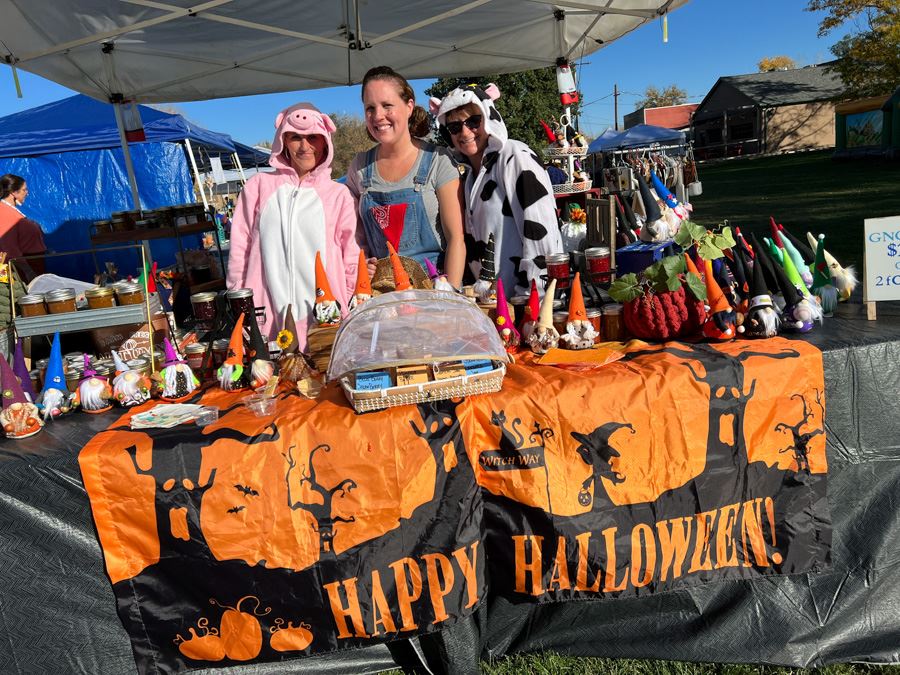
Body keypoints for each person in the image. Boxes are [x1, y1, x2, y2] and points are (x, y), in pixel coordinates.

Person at [226, 103, 359, 350]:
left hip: (324, 321)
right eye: (295, 137)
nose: (305, 146)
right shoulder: (258, 187)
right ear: (283, 140)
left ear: (325, 141)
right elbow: (239, 250)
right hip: (267, 318)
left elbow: (351, 256)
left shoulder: (339, 195)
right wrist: (240, 305)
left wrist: (344, 304)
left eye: (313, 138)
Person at [431, 84, 564, 296]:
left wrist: (533, 302)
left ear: (488, 117)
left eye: (474, 121)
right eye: (455, 127)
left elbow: (541, 235)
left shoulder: (515, 155)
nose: (465, 132)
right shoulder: (468, 177)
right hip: (494, 307)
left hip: (525, 303)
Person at [346, 66, 465, 289]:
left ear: (409, 106)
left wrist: (449, 298)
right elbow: (354, 240)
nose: (378, 116)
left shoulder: (438, 161)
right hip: (383, 298)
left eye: (387, 105)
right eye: (370, 108)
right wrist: (364, 264)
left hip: (433, 292)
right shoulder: (359, 167)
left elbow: (456, 240)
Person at [0, 174, 47, 282]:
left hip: (31, 263)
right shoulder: (4, 212)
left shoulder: (10, 210)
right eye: (24, 190)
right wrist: (27, 271)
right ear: (13, 192)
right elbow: (8, 247)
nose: (27, 193)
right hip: (22, 268)